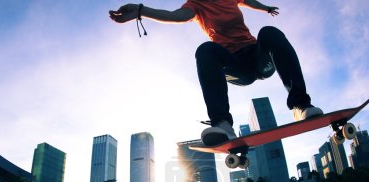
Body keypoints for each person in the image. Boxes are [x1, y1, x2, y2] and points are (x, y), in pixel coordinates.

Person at [109, 0, 322, 146]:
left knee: (269, 32)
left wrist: (265, 8)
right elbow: (174, 16)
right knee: (205, 50)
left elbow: (248, 1)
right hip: (235, 65)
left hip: (259, 58)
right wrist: (140, 10)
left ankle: (300, 105)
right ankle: (222, 124)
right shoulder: (196, 4)